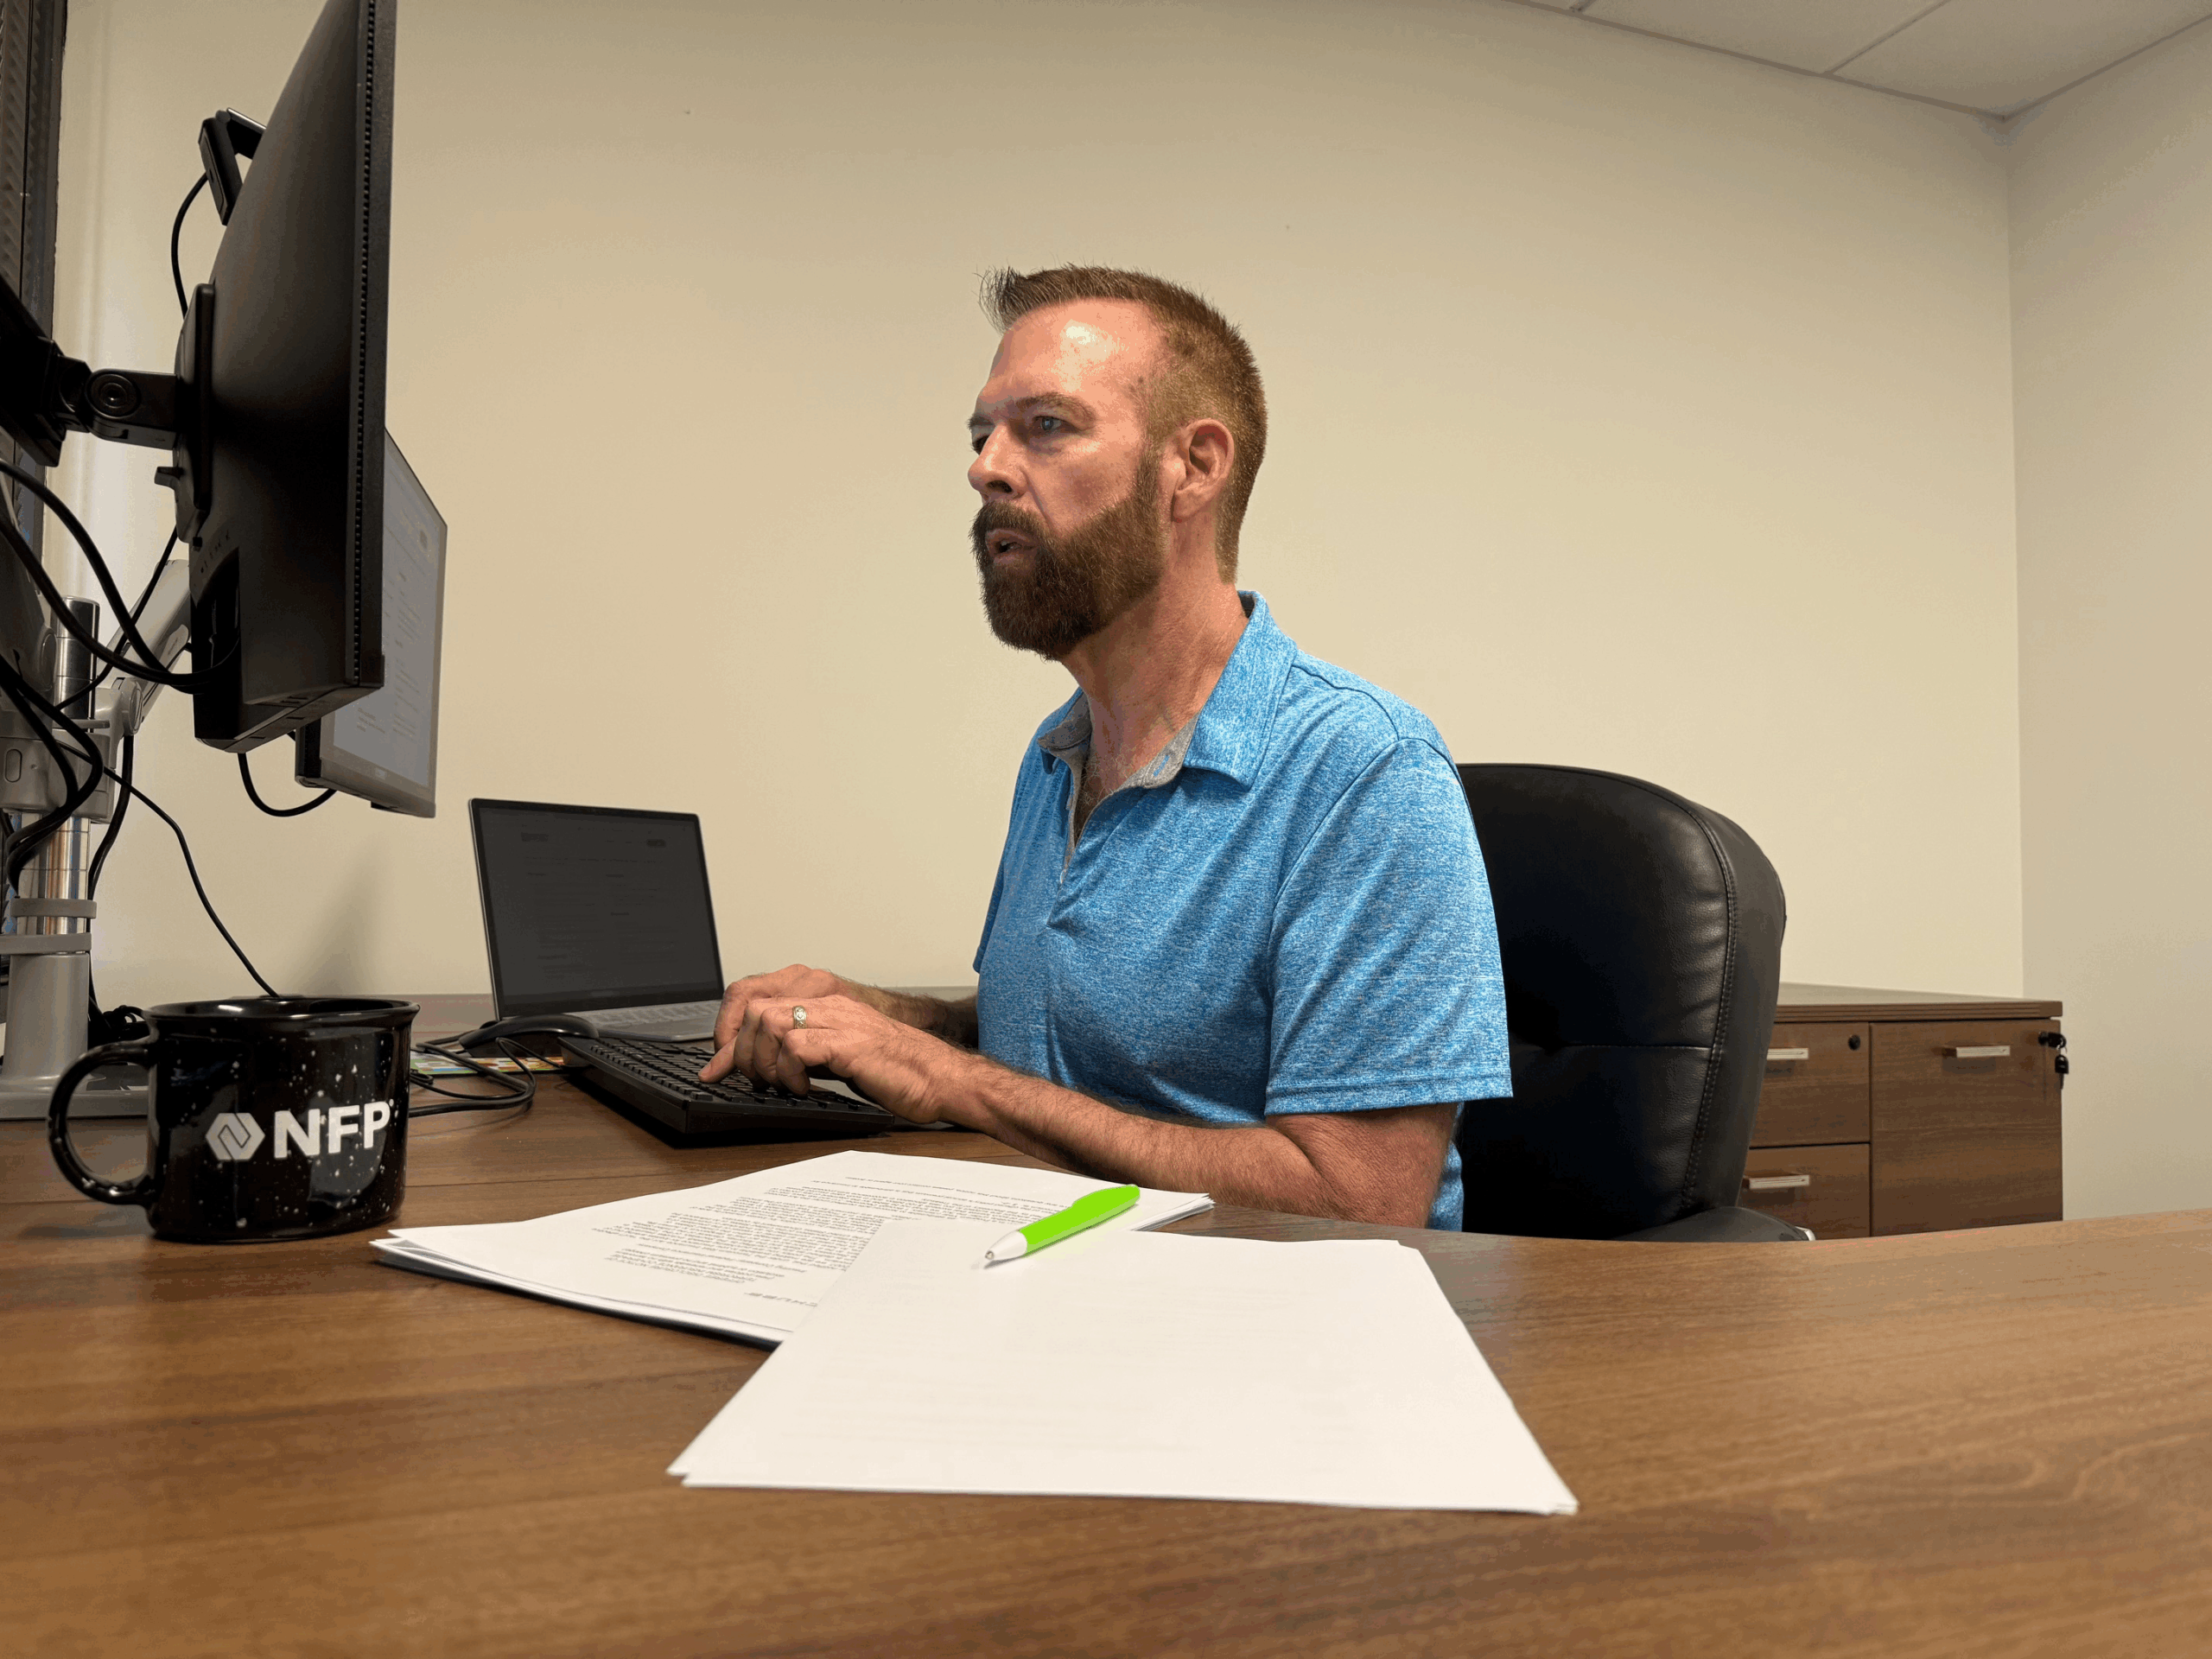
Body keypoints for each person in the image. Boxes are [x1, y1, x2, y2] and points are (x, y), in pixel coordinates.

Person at [702, 266, 1509, 1229]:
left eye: (1046, 426)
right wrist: (882, 1021)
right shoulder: (1060, 752)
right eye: (982, 435)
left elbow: (1362, 1199)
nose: (986, 468)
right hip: (1053, 1279)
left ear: (1193, 467)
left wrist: (953, 1082)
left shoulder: (1361, 769)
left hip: (1268, 1330)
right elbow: (1081, 1050)